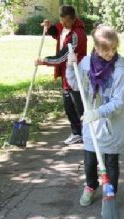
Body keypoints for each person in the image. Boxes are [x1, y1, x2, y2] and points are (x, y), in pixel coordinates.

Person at [66, 25, 124, 206]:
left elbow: (117, 102)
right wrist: (71, 66)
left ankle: (110, 192)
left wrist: (97, 112)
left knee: (110, 161)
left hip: (110, 125)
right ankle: (91, 186)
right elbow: (75, 85)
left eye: (114, 49)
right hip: (91, 125)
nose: (111, 53)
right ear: (96, 48)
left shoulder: (119, 70)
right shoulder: (85, 64)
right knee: (90, 161)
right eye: (106, 50)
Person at [35, 5, 87, 145]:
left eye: (65, 22)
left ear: (73, 19)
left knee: (79, 106)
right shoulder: (64, 26)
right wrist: (49, 27)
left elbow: (63, 56)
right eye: (61, 21)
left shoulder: (77, 34)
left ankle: (88, 133)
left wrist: (44, 61)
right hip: (66, 73)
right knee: (68, 106)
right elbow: (58, 33)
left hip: (76, 73)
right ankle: (77, 133)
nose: (62, 24)